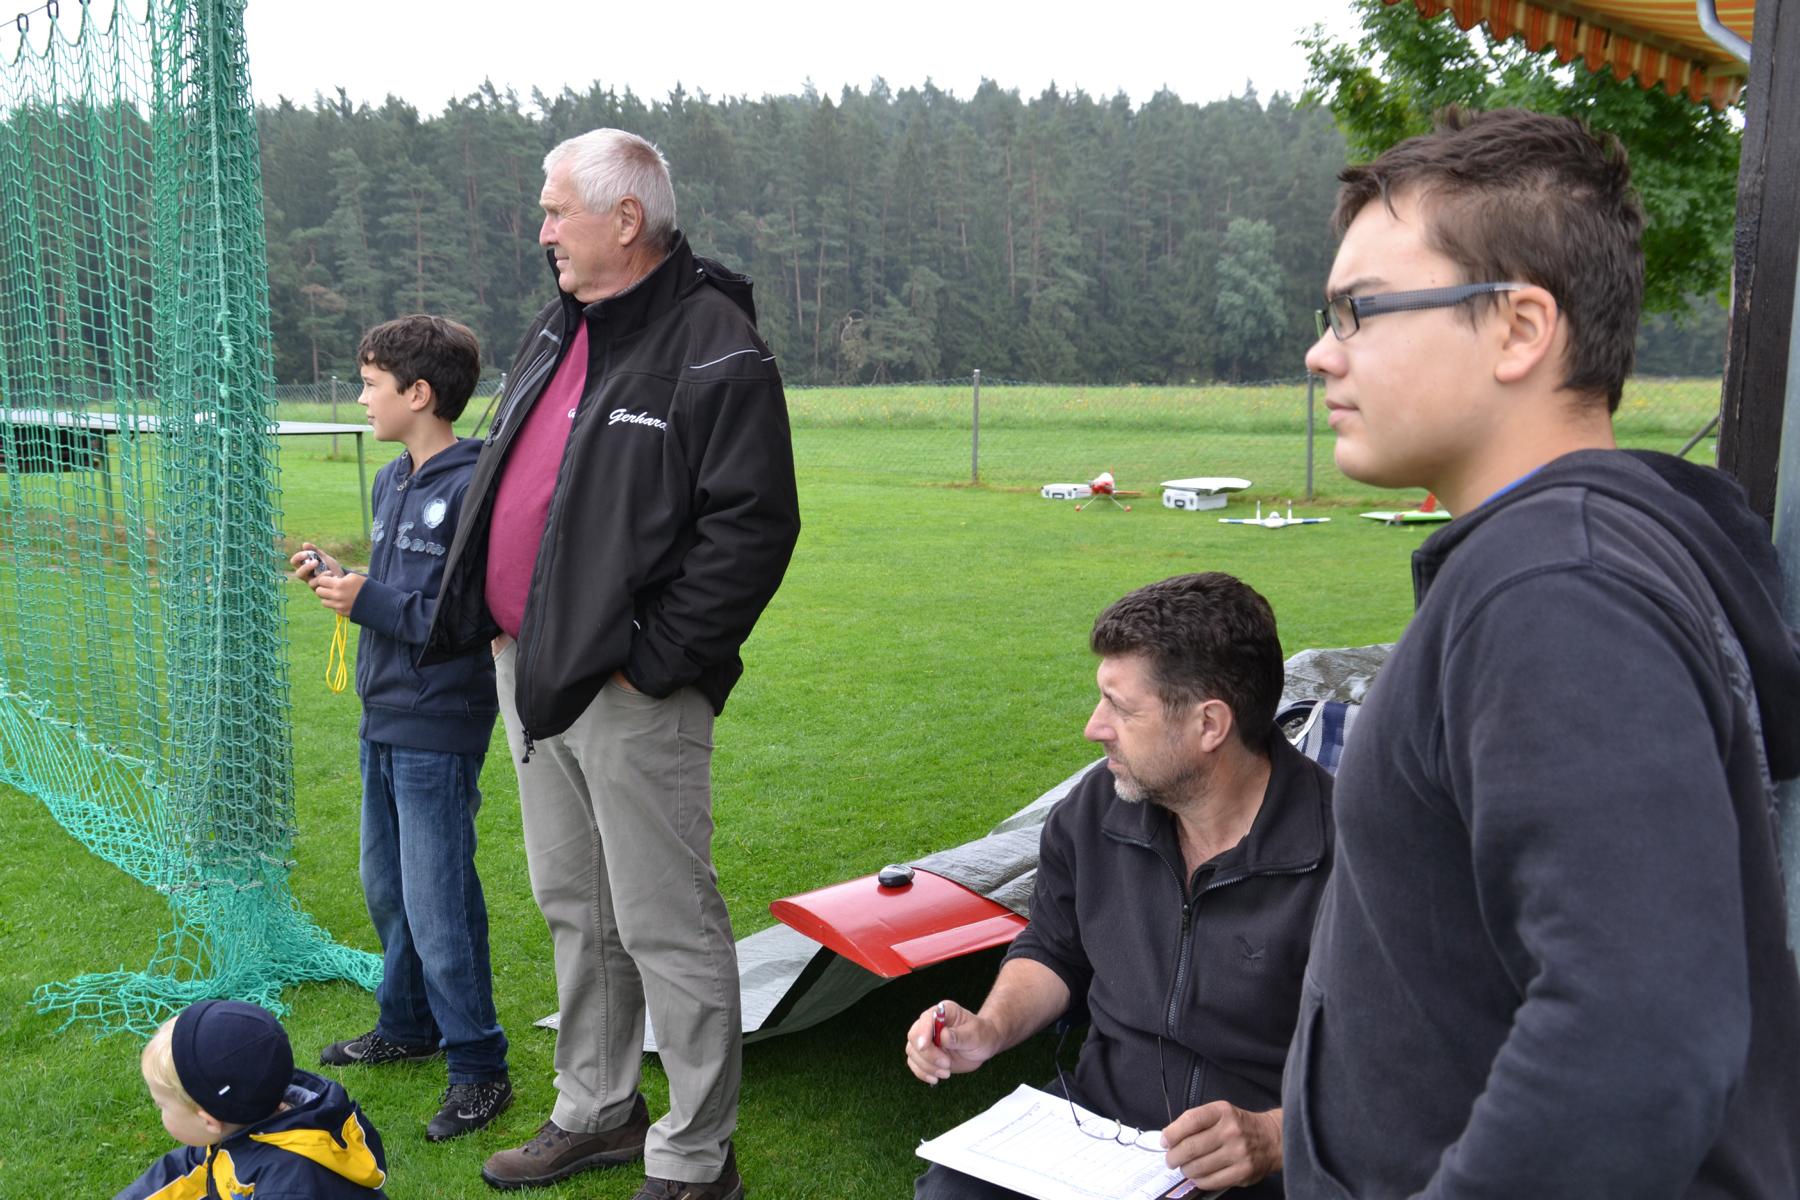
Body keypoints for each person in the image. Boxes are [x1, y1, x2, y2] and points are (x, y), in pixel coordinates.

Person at [1286, 107, 1800, 1198]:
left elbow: (1637, 1040)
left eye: (1359, 309)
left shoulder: (1555, 588)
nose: (1322, 351)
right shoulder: (1568, 561)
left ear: (1520, 328)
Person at [419, 128, 799, 1199]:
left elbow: (753, 526)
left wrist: (655, 657)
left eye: (556, 210)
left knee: (665, 922)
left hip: (631, 692)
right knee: (575, 907)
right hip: (532, 674)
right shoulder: (561, 325)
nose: (542, 231)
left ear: (626, 219)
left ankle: (696, 1155)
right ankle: (597, 1109)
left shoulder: (714, 344)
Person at [906, 572, 1334, 1199]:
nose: (1094, 726)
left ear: (1209, 724)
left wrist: (1275, 1136)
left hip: (1268, 1163)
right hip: (1102, 1133)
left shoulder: (1351, 856)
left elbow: (1410, 1068)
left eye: (1122, 707)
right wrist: (990, 1026)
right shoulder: (1094, 811)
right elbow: (1055, 949)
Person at [291, 314, 509, 1142]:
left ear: (418, 393)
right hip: (382, 714)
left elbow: (474, 615)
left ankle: (480, 1069)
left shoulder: (477, 484)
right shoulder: (390, 481)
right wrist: (345, 580)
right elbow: (396, 592)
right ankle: (408, 1024)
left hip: (440, 721)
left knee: (439, 903)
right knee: (386, 888)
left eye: (370, 384)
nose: (361, 398)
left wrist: (370, 599)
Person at [114, 999, 389, 1199]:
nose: (160, 1112)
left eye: (162, 1106)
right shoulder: (246, 1119)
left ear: (208, 1121)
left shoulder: (289, 1186)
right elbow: (188, 1171)